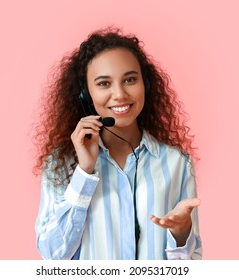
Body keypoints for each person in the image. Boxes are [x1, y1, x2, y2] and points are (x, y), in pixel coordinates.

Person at [34, 27, 202, 260]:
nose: (120, 94)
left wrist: (182, 235)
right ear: (85, 94)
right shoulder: (61, 164)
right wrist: (84, 172)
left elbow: (191, 264)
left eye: (130, 80)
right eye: (104, 83)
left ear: (146, 85)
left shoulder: (177, 163)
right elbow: (52, 255)